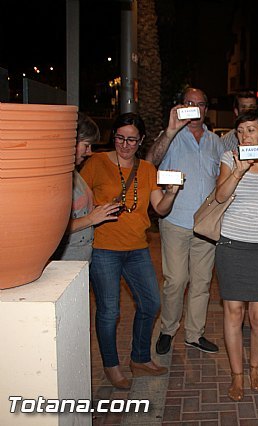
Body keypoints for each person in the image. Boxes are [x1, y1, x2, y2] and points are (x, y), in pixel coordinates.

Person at [80, 112, 180, 389]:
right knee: (109, 311)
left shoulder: (147, 170)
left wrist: (171, 193)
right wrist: (88, 217)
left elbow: (159, 208)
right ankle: (112, 366)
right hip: (104, 248)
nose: (125, 145)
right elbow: (77, 198)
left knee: (151, 303)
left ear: (142, 141)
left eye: (132, 140)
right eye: (120, 138)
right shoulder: (97, 162)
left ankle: (139, 358)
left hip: (137, 248)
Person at [213, 105, 258, 401]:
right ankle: (237, 375)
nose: (244, 136)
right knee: (233, 312)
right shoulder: (229, 159)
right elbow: (220, 195)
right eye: (240, 131)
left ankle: (255, 367)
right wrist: (239, 171)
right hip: (231, 244)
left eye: (251, 130)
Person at [145, 87, 225, 355]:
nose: (195, 108)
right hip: (175, 221)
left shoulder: (216, 141)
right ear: (180, 106)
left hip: (206, 225)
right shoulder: (170, 137)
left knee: (202, 283)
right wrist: (169, 130)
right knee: (176, 280)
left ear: (206, 109)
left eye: (200, 104)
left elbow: (223, 177)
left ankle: (194, 334)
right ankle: (168, 329)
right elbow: (149, 163)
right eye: (189, 103)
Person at [53, 113, 121, 261]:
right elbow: (54, 228)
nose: (90, 152)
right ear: (72, 142)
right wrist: (91, 219)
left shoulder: (74, 172)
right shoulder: (58, 177)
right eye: (86, 145)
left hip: (80, 259)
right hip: (67, 263)